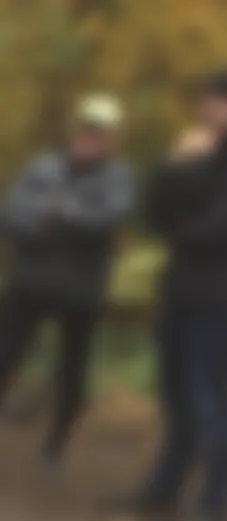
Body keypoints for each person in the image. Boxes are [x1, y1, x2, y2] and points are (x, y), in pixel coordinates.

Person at [120, 68, 227, 521]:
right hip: (182, 295)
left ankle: (214, 508)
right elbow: (155, 215)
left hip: (222, 300)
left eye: (217, 101)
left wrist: (182, 216)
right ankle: (165, 490)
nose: (206, 110)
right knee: (177, 401)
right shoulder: (203, 155)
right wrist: (176, 167)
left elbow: (217, 230)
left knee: (211, 403)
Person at [0, 94, 135, 469]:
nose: (89, 138)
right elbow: (12, 215)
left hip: (80, 291)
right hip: (29, 283)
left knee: (71, 369)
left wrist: (64, 216)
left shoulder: (117, 177)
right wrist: (53, 219)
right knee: (5, 354)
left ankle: (56, 443)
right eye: (86, 130)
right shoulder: (45, 168)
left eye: (99, 133)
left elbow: (108, 221)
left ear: (111, 138)